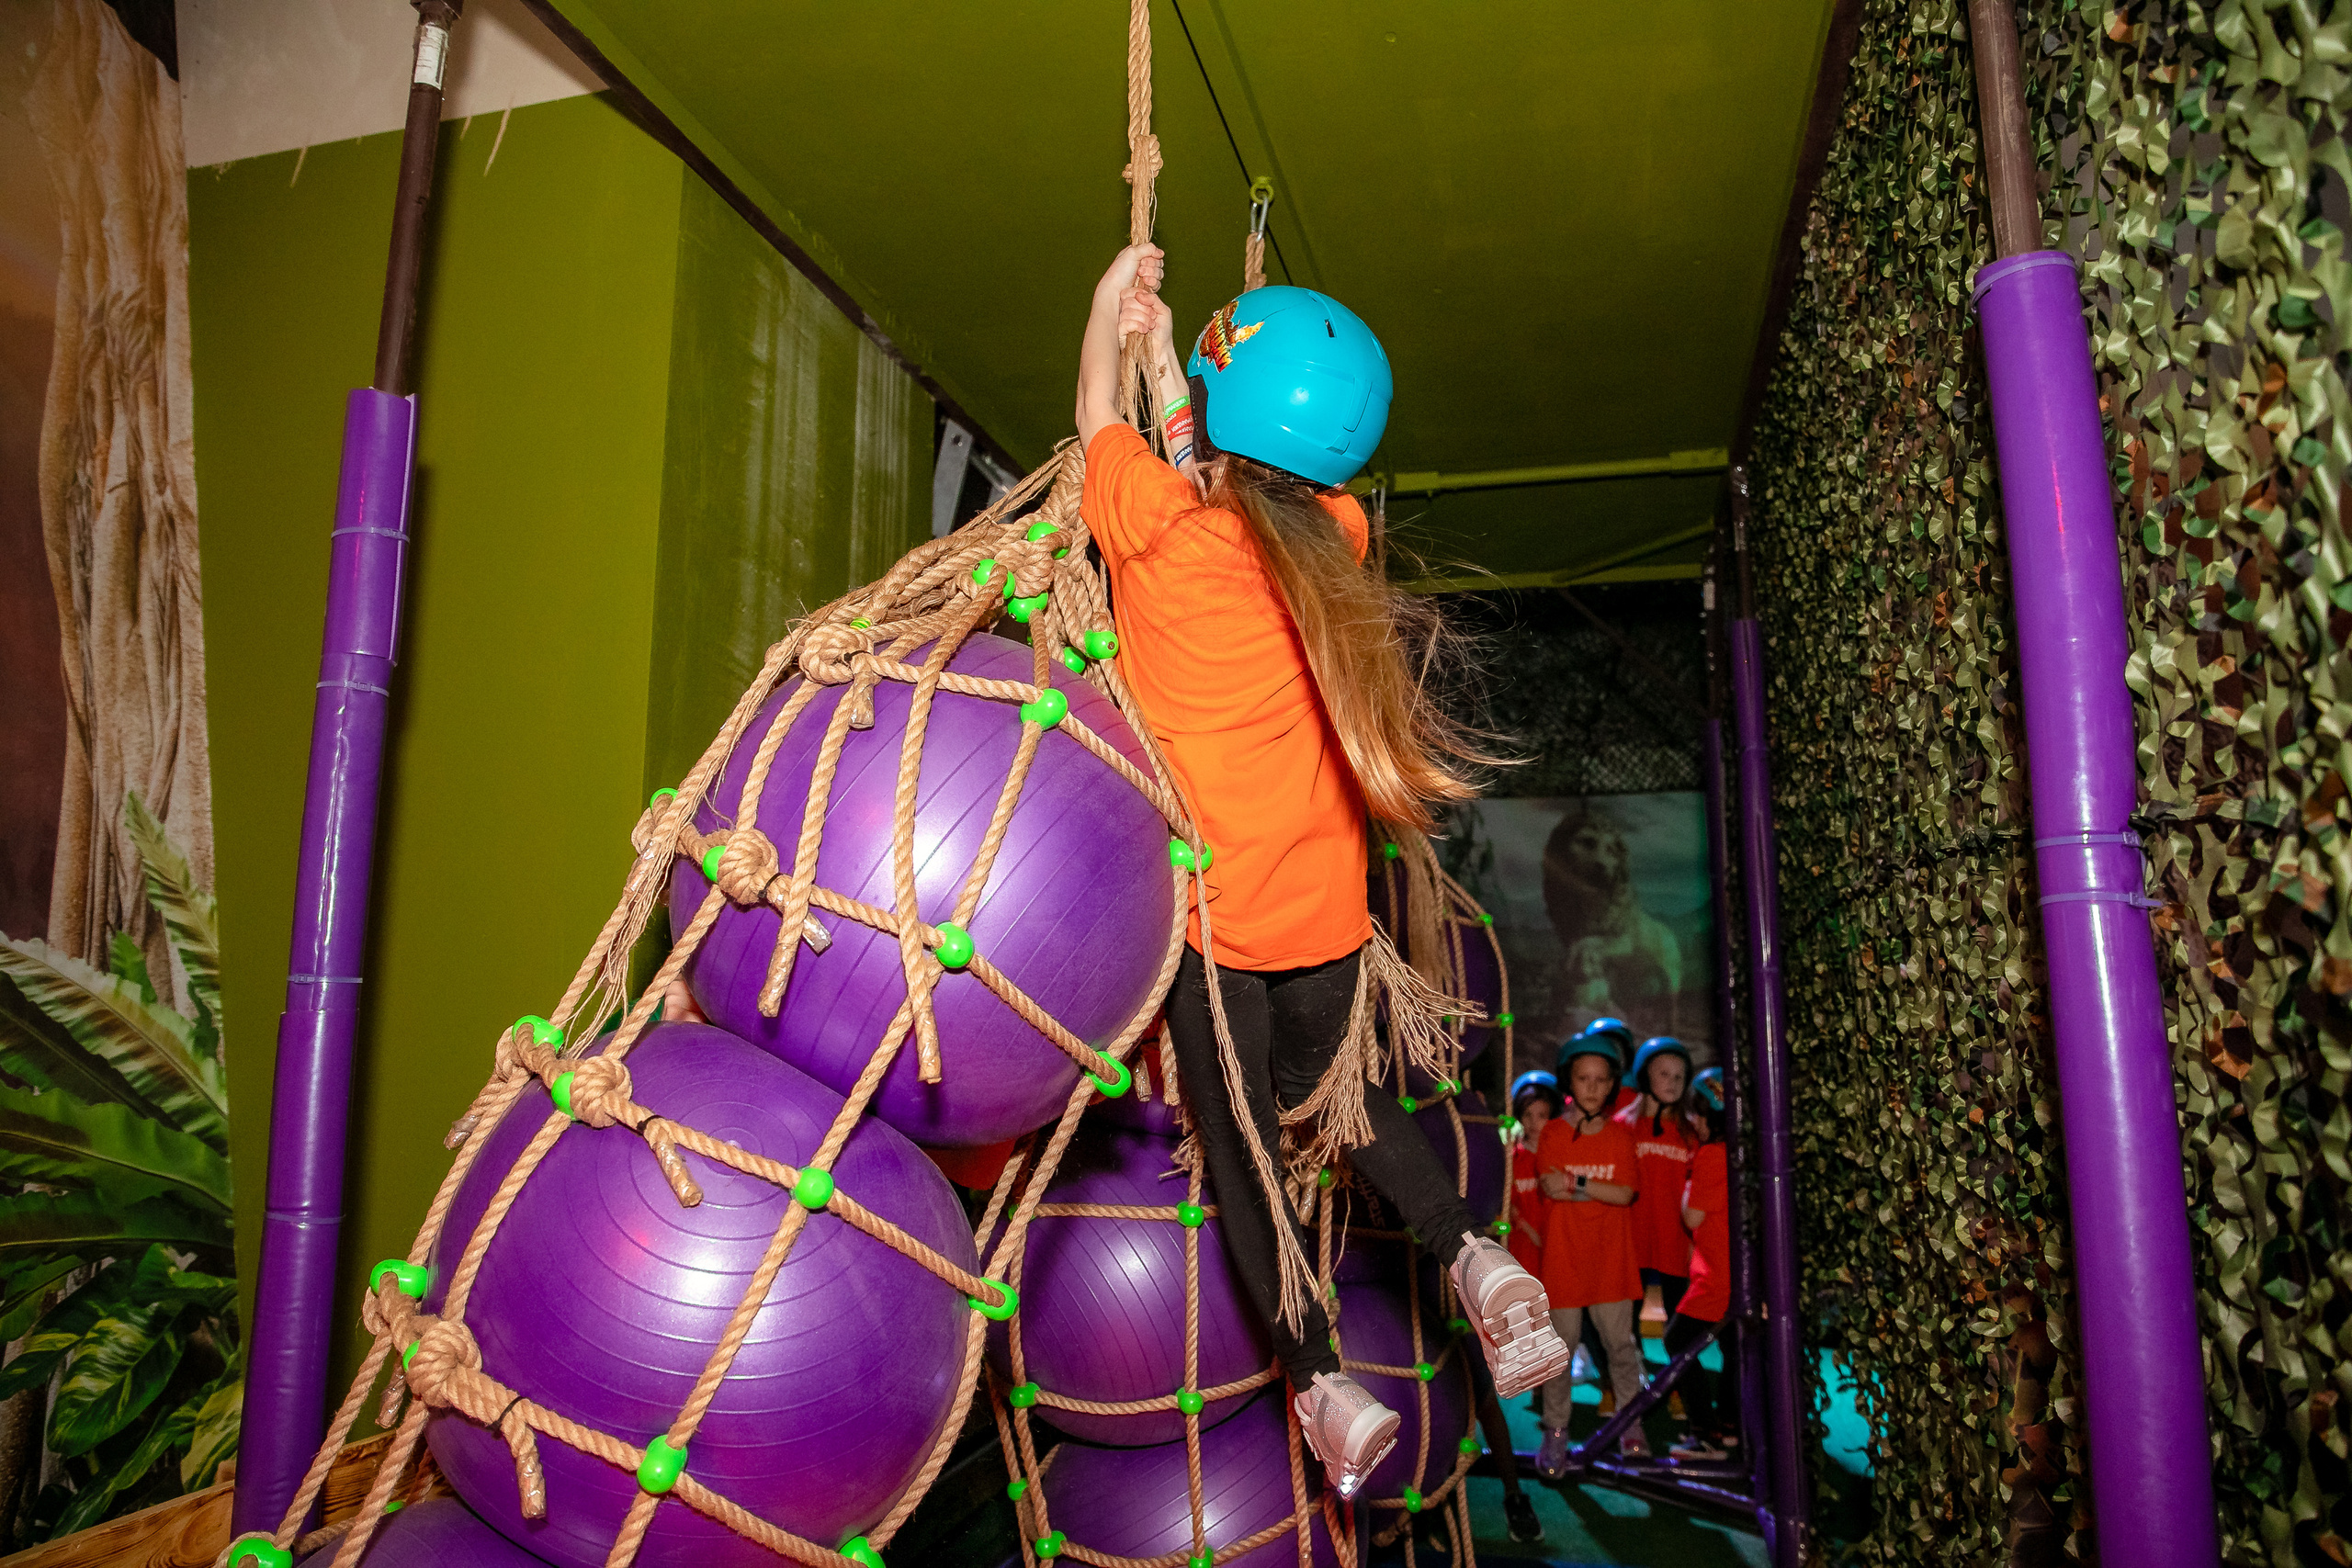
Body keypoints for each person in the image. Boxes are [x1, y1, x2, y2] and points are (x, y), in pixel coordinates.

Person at [1073, 244, 1569, 1499]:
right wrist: (1176, 346)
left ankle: (1319, 1380)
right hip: (1323, 922)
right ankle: (1473, 1255)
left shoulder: (1157, 539)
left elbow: (1106, 432)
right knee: (1355, 1113)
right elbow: (1219, 469)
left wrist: (1112, 315)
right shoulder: (1337, 539)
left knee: (1245, 1151)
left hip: (1216, 929)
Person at [1533, 1036, 1646, 1473]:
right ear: (1569, 1082)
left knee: (1621, 1347)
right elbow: (1548, 1186)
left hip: (1611, 1263)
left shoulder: (1620, 1136)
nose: (1593, 1088)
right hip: (1563, 1262)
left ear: (1613, 1084)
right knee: (1559, 1352)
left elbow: (1626, 1194)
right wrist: (1601, 1192)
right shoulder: (1554, 1134)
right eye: (1584, 1079)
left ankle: (1631, 1425)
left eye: (1602, 1080)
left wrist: (1577, 1185)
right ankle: (1556, 1431)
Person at [1667, 1067, 1739, 1461]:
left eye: (1696, 1112)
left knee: (1676, 1341)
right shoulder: (1739, 1153)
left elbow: (1691, 1218)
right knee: (1733, 1349)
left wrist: (1690, 1177)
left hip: (1716, 1276)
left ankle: (1706, 1433)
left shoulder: (1712, 1155)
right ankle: (1731, 1429)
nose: (1691, 1119)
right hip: (1737, 1273)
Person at [1619, 1037, 1703, 1322]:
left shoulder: (1692, 1132)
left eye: (1679, 1076)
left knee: (1679, 1328)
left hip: (1676, 1244)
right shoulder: (1622, 1127)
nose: (1673, 1082)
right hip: (1632, 1243)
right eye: (1664, 1074)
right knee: (1623, 1329)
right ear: (1644, 1076)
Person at [1555, 1017, 1636, 1113]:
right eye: (1583, 1078)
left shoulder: (1633, 1101)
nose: (1592, 1088)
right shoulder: (1569, 1104)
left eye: (1600, 1079)